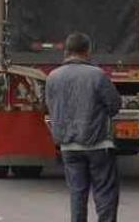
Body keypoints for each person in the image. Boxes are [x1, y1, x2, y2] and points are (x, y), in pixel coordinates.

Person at [45, 32, 122, 222]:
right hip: (99, 145)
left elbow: (49, 106)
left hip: (68, 146)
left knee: (77, 195)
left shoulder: (53, 77)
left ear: (66, 52)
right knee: (105, 195)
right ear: (87, 51)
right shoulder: (97, 75)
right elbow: (114, 105)